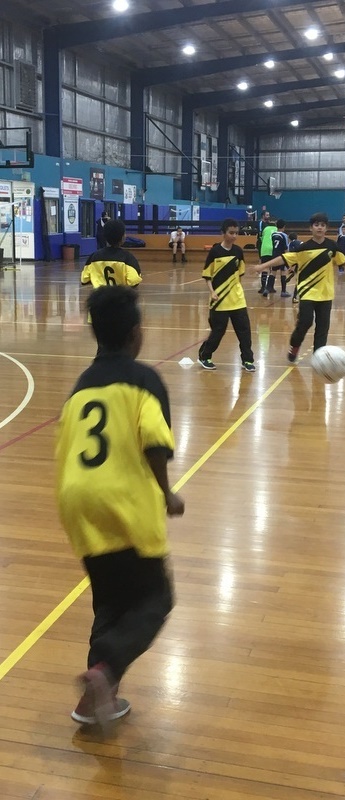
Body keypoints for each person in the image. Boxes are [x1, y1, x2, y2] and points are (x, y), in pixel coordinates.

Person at [55, 285, 184, 730]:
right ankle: (105, 672)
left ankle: (94, 703)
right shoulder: (144, 379)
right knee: (155, 598)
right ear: (135, 334)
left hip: (77, 500)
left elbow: (64, 446)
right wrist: (168, 495)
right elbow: (154, 441)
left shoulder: (80, 385)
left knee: (109, 602)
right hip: (123, 499)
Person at [252, 212, 345, 363]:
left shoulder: (331, 246)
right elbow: (283, 258)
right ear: (311, 228)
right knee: (305, 322)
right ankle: (295, 346)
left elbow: (344, 261)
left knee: (323, 328)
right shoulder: (303, 248)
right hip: (307, 292)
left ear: (326, 228)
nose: (319, 228)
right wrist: (263, 266)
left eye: (322, 225)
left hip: (326, 294)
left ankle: (318, 357)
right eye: (316, 225)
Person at [198, 217, 255, 372]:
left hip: (237, 299)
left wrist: (236, 290)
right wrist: (212, 292)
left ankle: (248, 360)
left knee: (244, 332)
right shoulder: (215, 252)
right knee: (218, 332)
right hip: (219, 300)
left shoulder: (238, 252)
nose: (234, 236)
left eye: (236, 233)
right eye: (231, 232)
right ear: (223, 233)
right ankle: (205, 356)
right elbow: (207, 275)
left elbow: (240, 274)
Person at [82, 219, 142, 288]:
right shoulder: (127, 258)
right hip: (120, 297)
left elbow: (84, 279)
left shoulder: (94, 257)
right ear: (122, 237)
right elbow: (133, 280)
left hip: (99, 297)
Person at [263, 218, 290, 297]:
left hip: (274, 255)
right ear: (284, 226)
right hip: (282, 257)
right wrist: (288, 258)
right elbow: (286, 247)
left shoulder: (273, 234)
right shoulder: (284, 235)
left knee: (273, 272)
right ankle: (283, 291)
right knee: (283, 272)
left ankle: (267, 289)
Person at [257, 216, 278, 295]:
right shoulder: (277, 229)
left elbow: (261, 238)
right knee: (273, 270)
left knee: (265, 268)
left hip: (265, 249)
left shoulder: (265, 229)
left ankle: (263, 287)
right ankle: (270, 287)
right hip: (274, 250)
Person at [288, 232, 303, 304]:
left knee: (299, 280)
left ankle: (294, 297)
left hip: (300, 261)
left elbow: (292, 255)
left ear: (289, 239)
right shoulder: (300, 242)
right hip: (305, 260)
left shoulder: (291, 244)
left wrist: (290, 266)